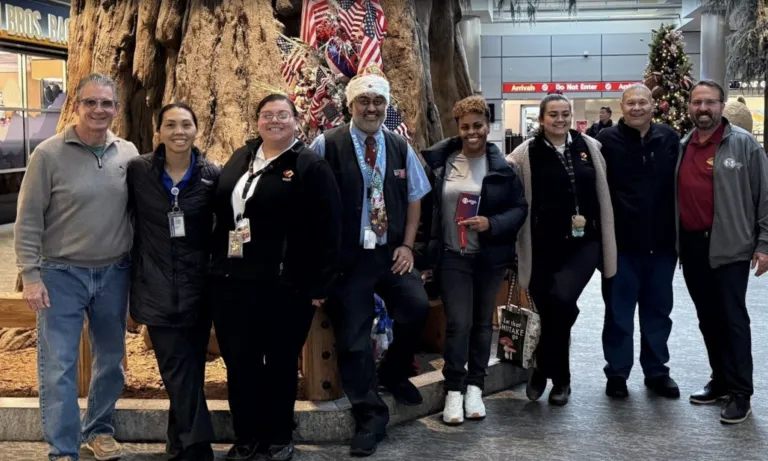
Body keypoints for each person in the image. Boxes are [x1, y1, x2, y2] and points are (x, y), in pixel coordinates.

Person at [209, 93, 341, 461]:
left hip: (285, 286)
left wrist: (321, 285)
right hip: (233, 281)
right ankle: (247, 437)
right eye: (267, 115)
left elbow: (330, 227)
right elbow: (223, 210)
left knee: (280, 364)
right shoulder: (242, 156)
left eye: (283, 115)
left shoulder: (309, 166)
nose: (275, 121)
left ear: (297, 120)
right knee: (240, 363)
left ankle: (279, 436)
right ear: (257, 121)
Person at [14, 73, 138, 461]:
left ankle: (98, 431)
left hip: (114, 274)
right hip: (60, 275)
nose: (98, 110)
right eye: (90, 102)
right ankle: (63, 450)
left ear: (116, 109)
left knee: (111, 360)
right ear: (77, 105)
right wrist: (31, 276)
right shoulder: (48, 155)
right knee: (59, 366)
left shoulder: (128, 153)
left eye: (106, 103)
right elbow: (29, 219)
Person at [309, 64, 431, 457]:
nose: (372, 108)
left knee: (415, 305)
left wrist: (408, 246)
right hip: (349, 260)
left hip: (390, 251)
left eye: (379, 101)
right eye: (364, 100)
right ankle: (369, 415)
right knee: (354, 339)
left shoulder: (398, 145)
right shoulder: (326, 144)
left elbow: (414, 196)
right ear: (350, 105)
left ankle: (394, 371)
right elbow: (310, 208)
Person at [421, 96, 527, 424]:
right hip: (454, 256)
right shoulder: (442, 163)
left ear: (487, 126)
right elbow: (427, 210)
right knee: (458, 323)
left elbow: (520, 208)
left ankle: (475, 388)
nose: (472, 132)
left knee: (483, 324)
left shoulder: (504, 168)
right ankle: (454, 388)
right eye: (465, 126)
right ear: (458, 128)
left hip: (489, 257)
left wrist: (490, 224)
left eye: (478, 125)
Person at [507, 93, 616, 406]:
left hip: (583, 243)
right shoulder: (525, 153)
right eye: (553, 114)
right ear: (542, 119)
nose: (560, 119)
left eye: (565, 114)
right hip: (542, 246)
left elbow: (602, 192)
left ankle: (544, 367)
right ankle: (560, 379)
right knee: (556, 310)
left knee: (563, 298)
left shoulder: (590, 147)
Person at [127, 103, 219, 460]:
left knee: (189, 370)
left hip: (199, 289)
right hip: (155, 286)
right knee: (176, 366)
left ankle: (177, 445)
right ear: (159, 132)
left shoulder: (212, 174)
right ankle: (198, 447)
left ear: (197, 130)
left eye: (185, 125)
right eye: (170, 125)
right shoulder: (138, 171)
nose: (178, 131)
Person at [677, 80, 768, 424]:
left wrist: (764, 244)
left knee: (733, 318)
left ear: (722, 106)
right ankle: (720, 380)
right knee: (707, 318)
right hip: (692, 247)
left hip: (731, 246)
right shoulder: (684, 144)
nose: (703, 108)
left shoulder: (743, 145)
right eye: (697, 102)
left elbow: (765, 196)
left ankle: (741, 392)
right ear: (689, 107)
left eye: (710, 103)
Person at [597, 84, 681, 399]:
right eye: (630, 102)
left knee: (658, 312)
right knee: (618, 313)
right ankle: (617, 374)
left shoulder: (669, 139)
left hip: (661, 247)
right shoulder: (606, 142)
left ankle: (657, 372)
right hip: (620, 248)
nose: (636, 108)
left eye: (642, 102)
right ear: (621, 106)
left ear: (652, 105)